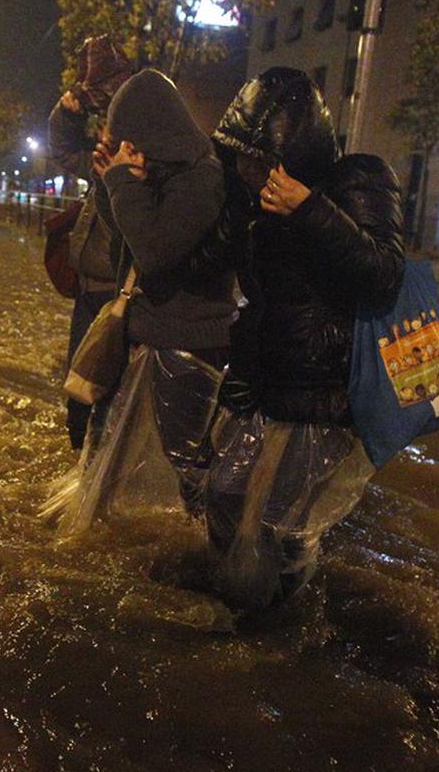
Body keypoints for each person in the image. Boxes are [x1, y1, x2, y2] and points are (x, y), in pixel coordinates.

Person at [203, 68, 406, 609]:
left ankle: (283, 628)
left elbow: (383, 272)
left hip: (325, 392)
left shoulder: (358, 181)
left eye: (260, 161)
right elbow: (246, 290)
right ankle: (237, 599)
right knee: (221, 493)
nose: (250, 172)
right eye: (241, 160)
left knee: (284, 524)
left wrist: (309, 209)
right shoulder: (250, 204)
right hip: (268, 381)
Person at [60, 68, 233, 531]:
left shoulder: (201, 178)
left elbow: (156, 253)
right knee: (108, 459)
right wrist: (110, 184)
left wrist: (120, 183)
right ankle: (102, 541)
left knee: (183, 473)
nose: (120, 147)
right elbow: (131, 247)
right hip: (144, 339)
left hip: (184, 349)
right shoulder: (161, 173)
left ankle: (202, 558)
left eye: (126, 138)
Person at [49, 36, 133, 451]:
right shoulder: (101, 161)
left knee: (103, 396)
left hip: (115, 296)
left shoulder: (140, 164)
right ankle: (80, 461)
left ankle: (92, 466)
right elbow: (63, 149)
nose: (102, 128)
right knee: (79, 393)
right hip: (89, 291)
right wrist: (70, 109)